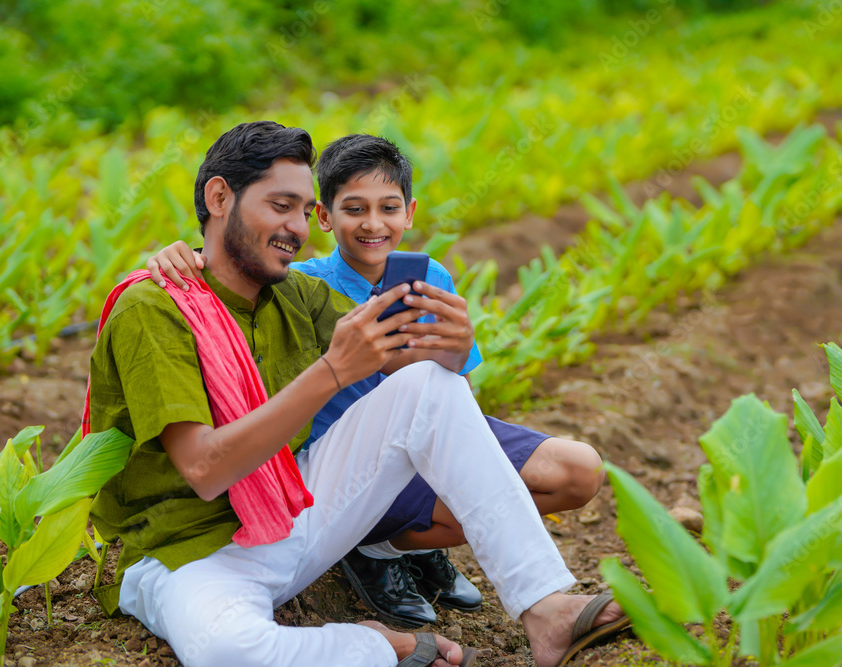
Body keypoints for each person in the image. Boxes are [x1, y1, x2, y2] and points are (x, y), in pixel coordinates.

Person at [92, 120, 627, 667]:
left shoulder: (296, 294)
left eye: (303, 211)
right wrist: (332, 370)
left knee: (427, 386)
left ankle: (546, 606)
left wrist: (452, 342)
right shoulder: (156, 308)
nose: (297, 227)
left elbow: (407, 361)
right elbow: (204, 469)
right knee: (226, 651)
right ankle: (383, 644)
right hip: (191, 556)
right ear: (220, 197)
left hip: (291, 515)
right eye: (280, 205)